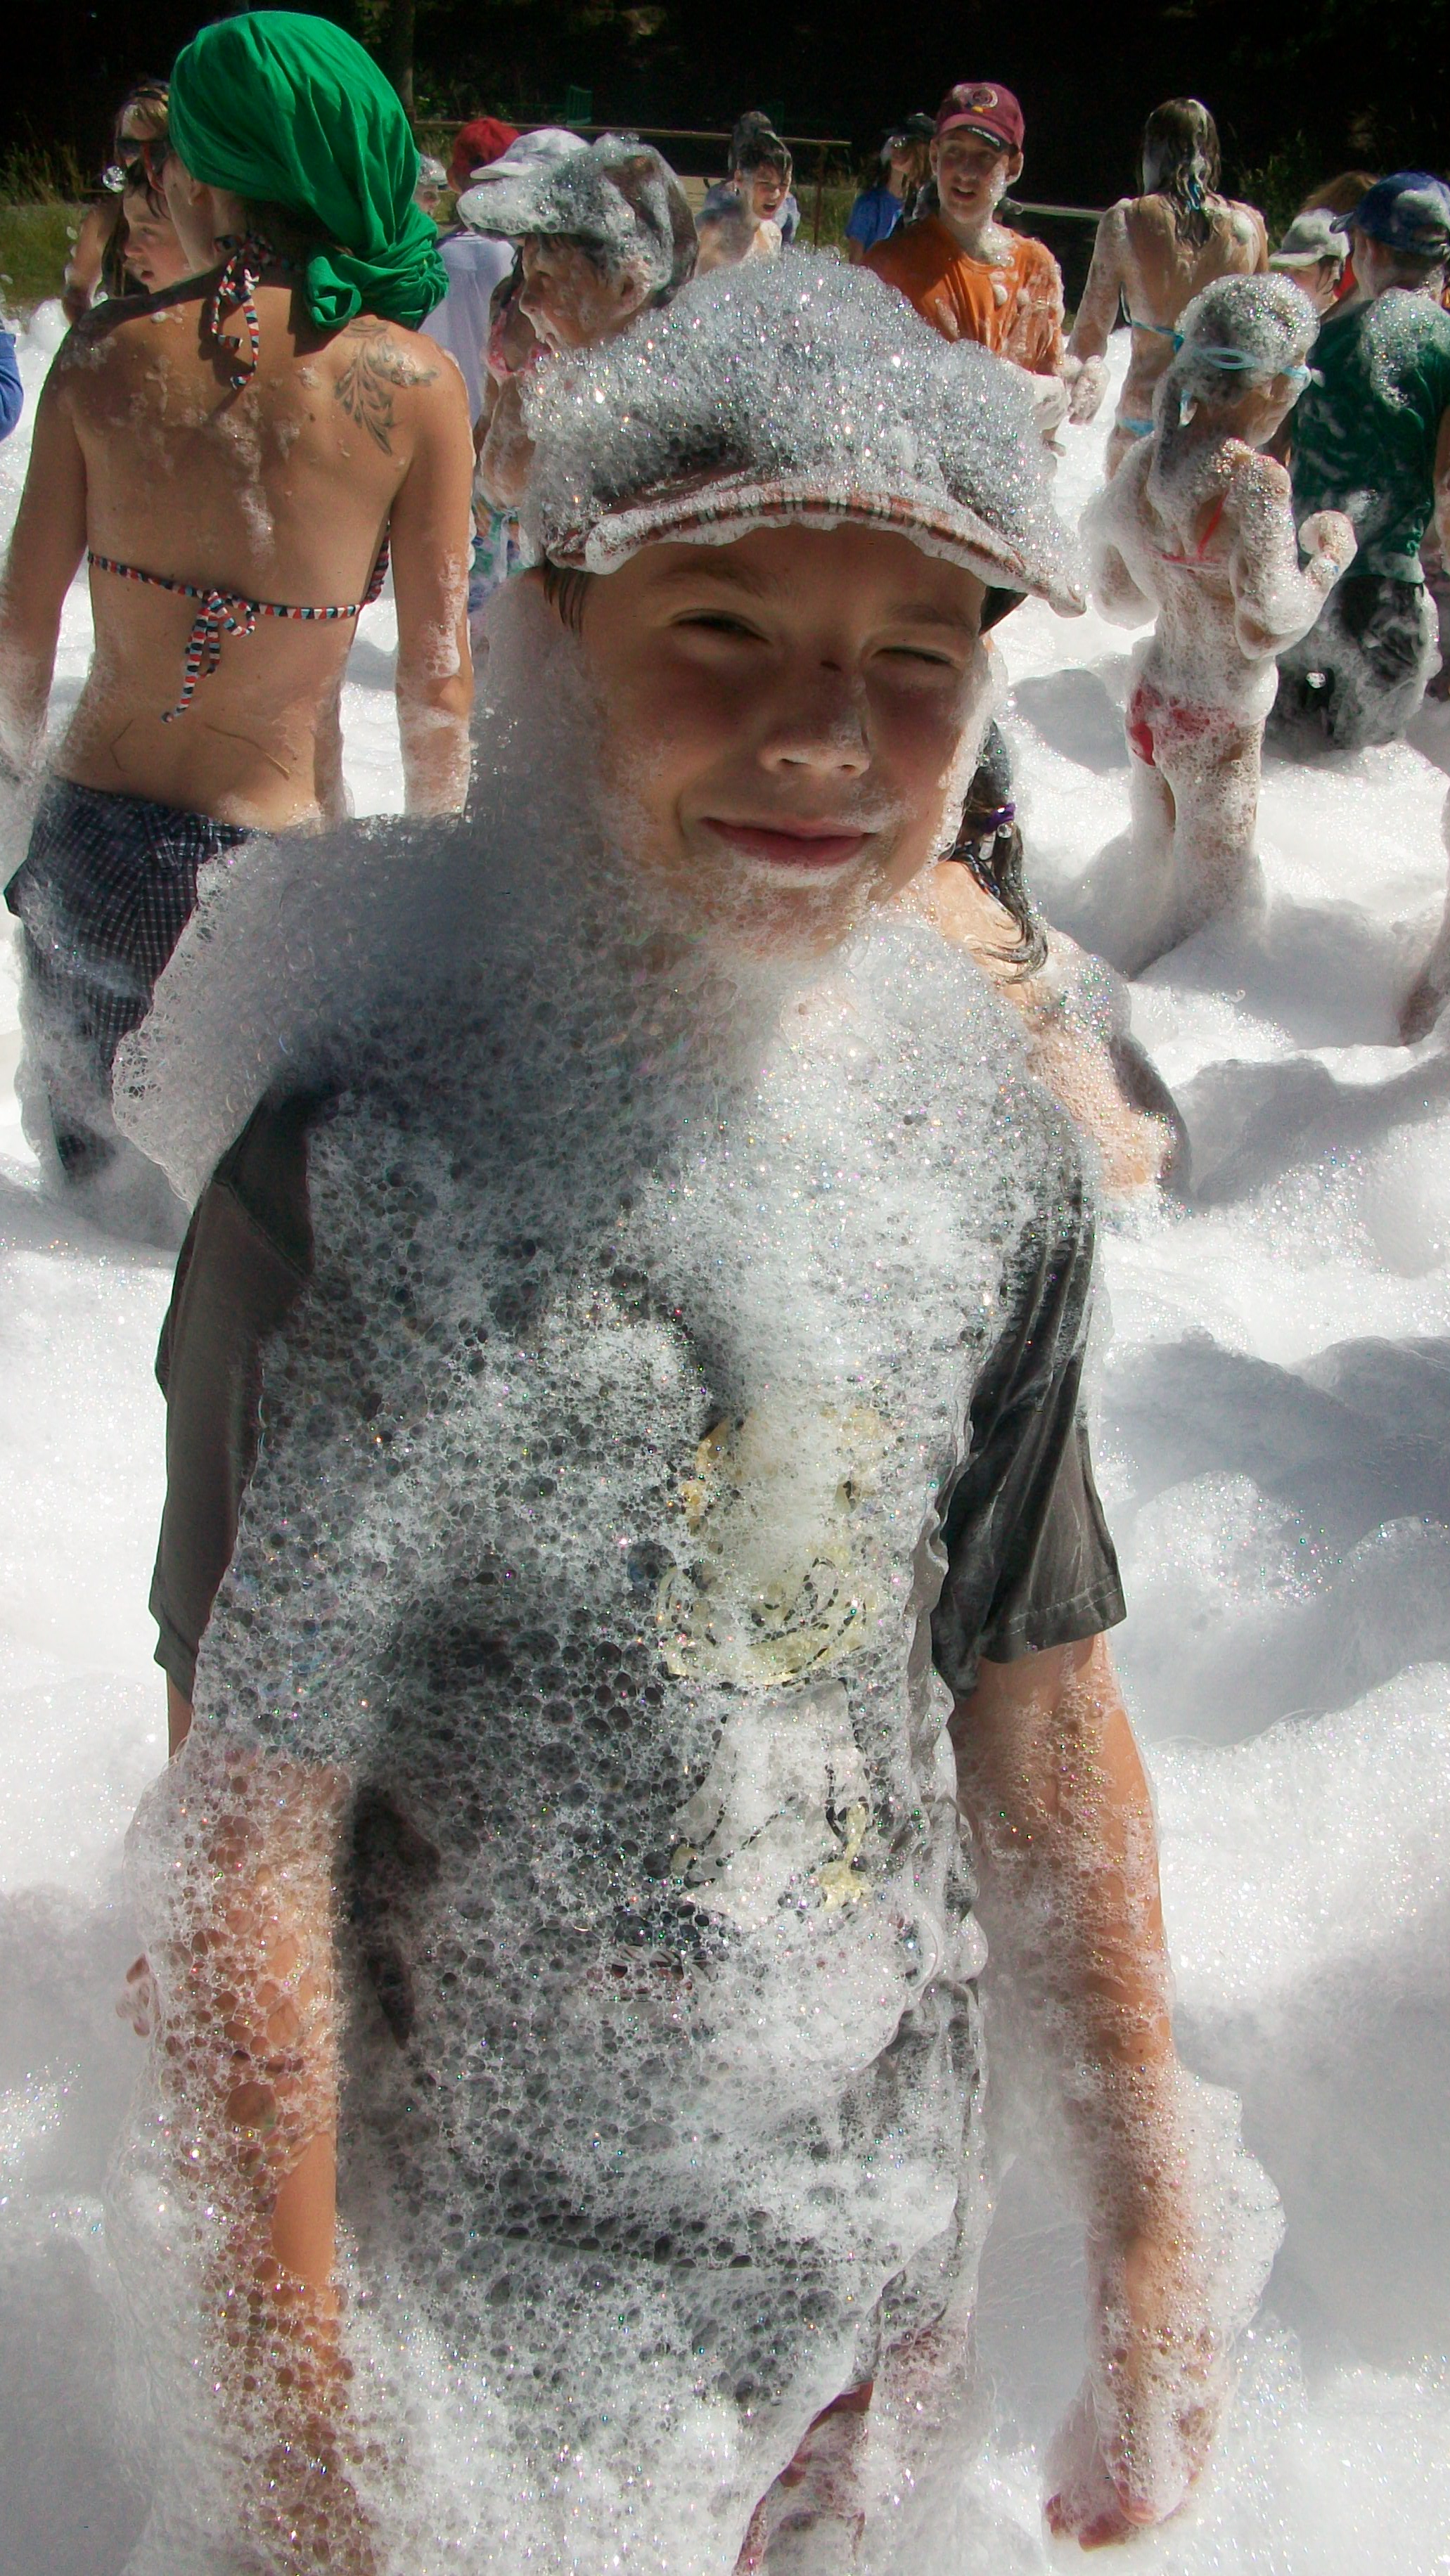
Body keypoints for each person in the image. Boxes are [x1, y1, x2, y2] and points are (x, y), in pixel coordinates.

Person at [111, 260, 1250, 2576]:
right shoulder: (354, 1181)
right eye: (721, 629)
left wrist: (1151, 2213)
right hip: (479, 2315)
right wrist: (305, 2453)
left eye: (912, 658)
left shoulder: (982, 1157)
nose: (825, 738)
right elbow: (242, 1850)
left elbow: (1038, 1709)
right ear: (554, 643)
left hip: (866, 2247)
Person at [0, 11, 473, 1219]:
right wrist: (442, 902)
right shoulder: (415, 387)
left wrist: (10, 814)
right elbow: (435, 677)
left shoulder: (100, 355)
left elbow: (20, 631)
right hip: (263, 884)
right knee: (231, 1239)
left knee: (84, 1216)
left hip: (89, 846)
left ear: (207, 174)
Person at [1084, 276, 1356, 973]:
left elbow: (1117, 599)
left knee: (1147, 884)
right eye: (1296, 379)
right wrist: (1329, 559)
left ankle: (1111, 986)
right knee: (1210, 928)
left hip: (1151, 704)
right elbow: (1266, 626)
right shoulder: (1255, 482)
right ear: (1270, 385)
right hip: (1218, 722)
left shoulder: (1144, 462)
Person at [1273, 172, 1450, 754]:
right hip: (1387, 605)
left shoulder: (1319, 340)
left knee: (1282, 767)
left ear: (1368, 248)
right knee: (1361, 778)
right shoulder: (1446, 346)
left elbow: (1268, 457)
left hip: (1303, 589)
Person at [464, 133, 695, 510]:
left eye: (547, 277)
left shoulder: (657, 420)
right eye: (529, 274)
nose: (527, 302)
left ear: (627, 287)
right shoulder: (564, 384)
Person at [1067, 99, 1268, 477]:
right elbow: (1264, 345)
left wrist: (1070, 395)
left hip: (1143, 416)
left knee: (1124, 514)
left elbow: (1090, 332)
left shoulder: (1128, 220)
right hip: (1217, 422)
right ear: (1212, 154)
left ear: (1151, 151)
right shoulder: (1249, 226)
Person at [864, 83, 1079, 396]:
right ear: (935, 156)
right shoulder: (889, 268)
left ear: (1013, 167)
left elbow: (1052, 381)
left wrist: (1076, 382)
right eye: (955, 151)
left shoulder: (1036, 269)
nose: (966, 171)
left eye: (985, 156)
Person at [420, 120, 521, 423]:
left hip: (442, 427)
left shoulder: (427, 260)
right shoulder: (529, 264)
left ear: (454, 180)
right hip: (506, 427)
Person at [61, 78, 174, 322]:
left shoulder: (201, 217)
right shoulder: (106, 221)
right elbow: (76, 291)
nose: (142, 159)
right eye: (130, 148)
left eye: (155, 149)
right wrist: (92, 335)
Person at [697, 115, 799, 271]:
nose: (776, 195)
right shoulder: (711, 229)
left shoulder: (773, 235)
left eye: (784, 184)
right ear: (739, 179)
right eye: (765, 183)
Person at [844, 118, 935, 262]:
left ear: (924, 148)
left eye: (902, 142)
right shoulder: (913, 199)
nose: (894, 149)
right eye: (894, 143)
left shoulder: (935, 197)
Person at [1267, 208, 1347, 315]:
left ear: (1333, 271)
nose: (1288, 281)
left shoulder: (1347, 321)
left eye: (1301, 271)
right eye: (1286, 270)